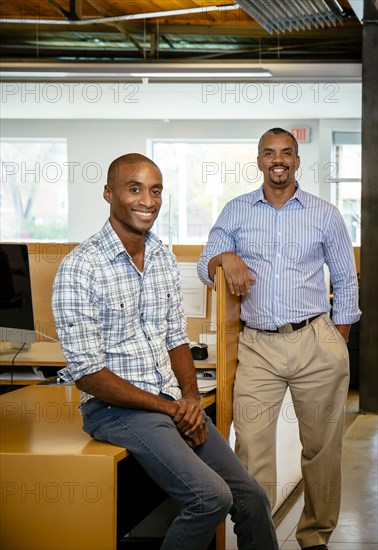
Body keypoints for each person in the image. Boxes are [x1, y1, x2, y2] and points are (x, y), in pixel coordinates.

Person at [52, 153, 279, 550]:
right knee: (211, 497)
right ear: (109, 194)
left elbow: (175, 338)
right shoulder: (80, 267)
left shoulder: (161, 256)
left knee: (252, 496)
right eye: (134, 189)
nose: (148, 200)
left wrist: (190, 397)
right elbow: (89, 374)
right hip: (113, 408)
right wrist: (172, 409)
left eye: (155, 190)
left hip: (170, 402)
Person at [197, 128, 361, 550]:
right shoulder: (235, 211)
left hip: (314, 339)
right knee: (251, 448)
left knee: (322, 451)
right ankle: (259, 538)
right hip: (257, 346)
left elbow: (345, 280)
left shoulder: (324, 213)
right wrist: (226, 256)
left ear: (297, 160)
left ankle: (315, 537)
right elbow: (204, 265)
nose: (278, 159)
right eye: (269, 153)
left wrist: (336, 342)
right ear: (258, 161)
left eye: (286, 152)